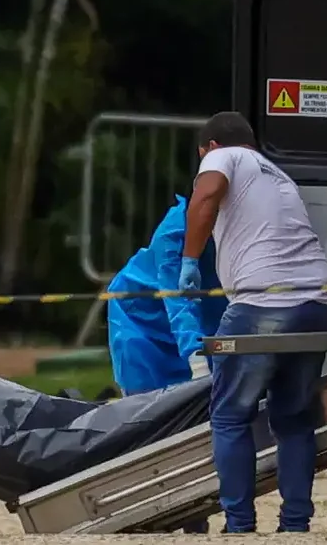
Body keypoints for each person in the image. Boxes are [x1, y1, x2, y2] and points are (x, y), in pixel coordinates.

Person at [179, 111, 327, 534]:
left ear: (210, 146)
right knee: (294, 419)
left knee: (230, 415)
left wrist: (190, 260)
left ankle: (240, 525)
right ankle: (295, 526)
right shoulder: (277, 174)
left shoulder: (221, 157)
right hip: (318, 303)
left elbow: (207, 196)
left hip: (263, 302)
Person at [107, 194, 226, 534]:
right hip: (141, 327)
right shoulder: (174, 231)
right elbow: (177, 299)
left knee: (199, 426)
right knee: (149, 421)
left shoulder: (239, 222)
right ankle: (147, 511)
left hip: (203, 326)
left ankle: (191, 510)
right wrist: (197, 356)